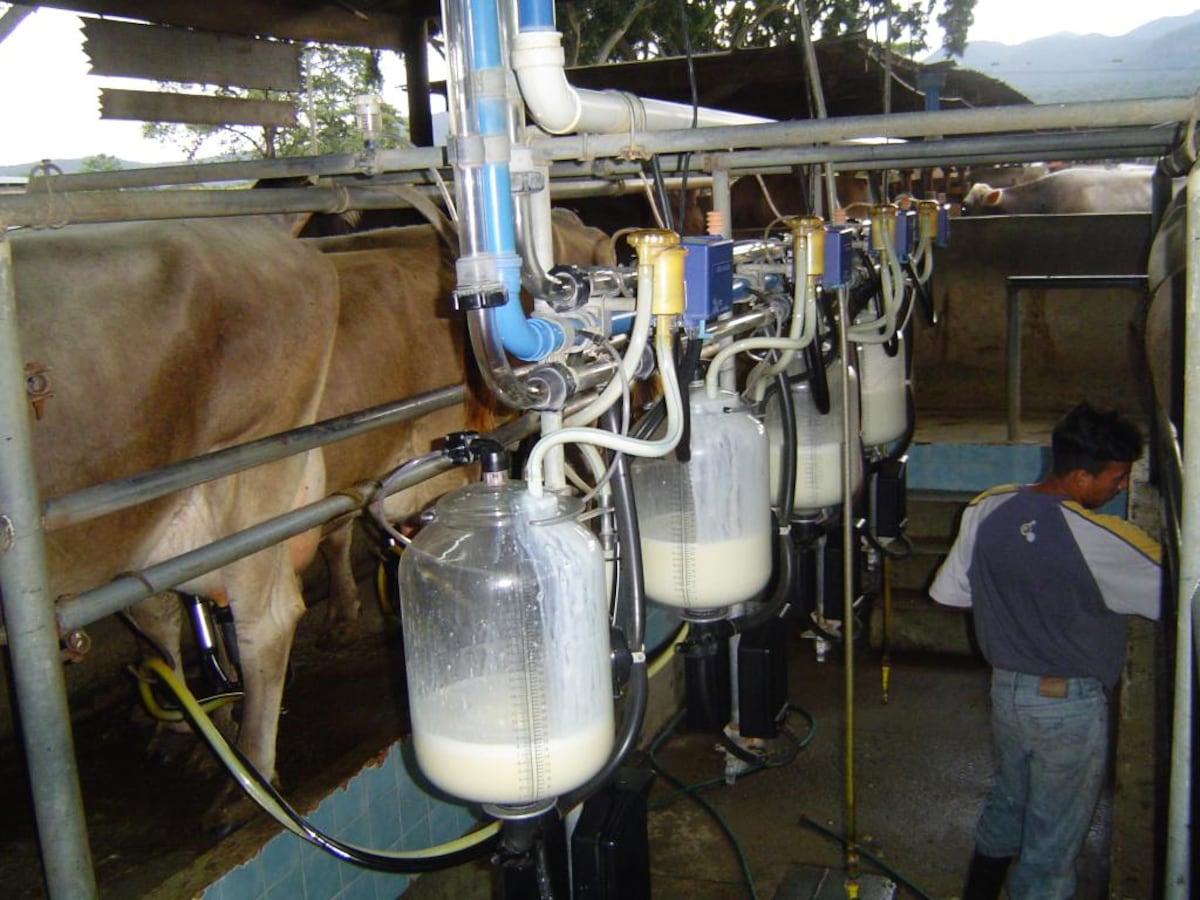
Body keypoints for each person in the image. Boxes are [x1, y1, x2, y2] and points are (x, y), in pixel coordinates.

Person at [930, 402, 1162, 900]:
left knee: (1009, 802)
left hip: (1007, 695)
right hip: (1069, 706)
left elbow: (948, 593)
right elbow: (1176, 593)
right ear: (1080, 476)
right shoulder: (1102, 537)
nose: (1121, 487)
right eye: (1117, 477)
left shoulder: (987, 507)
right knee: (1052, 845)